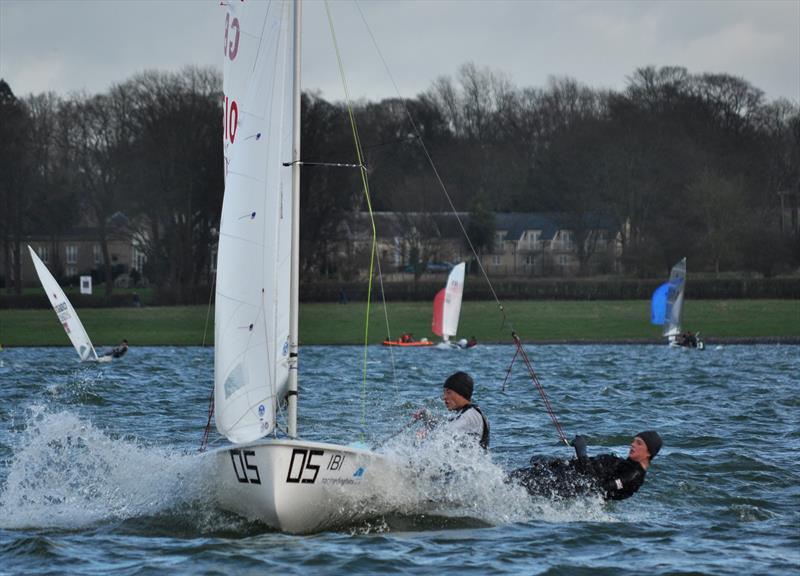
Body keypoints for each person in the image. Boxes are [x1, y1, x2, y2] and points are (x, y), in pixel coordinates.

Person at [508, 430, 662, 501]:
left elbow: (594, 485)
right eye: (634, 441)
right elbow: (592, 470)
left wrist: (581, 452)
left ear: (649, 452)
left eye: (639, 443)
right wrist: (554, 461)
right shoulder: (626, 465)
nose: (633, 444)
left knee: (512, 485)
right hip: (565, 474)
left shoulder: (631, 476)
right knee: (511, 477)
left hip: (566, 486)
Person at [415, 371, 490, 449]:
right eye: (444, 393)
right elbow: (444, 427)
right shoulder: (467, 412)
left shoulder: (470, 415)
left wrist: (426, 435)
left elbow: (445, 432)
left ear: (461, 393)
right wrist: (426, 416)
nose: (444, 397)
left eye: (449, 392)